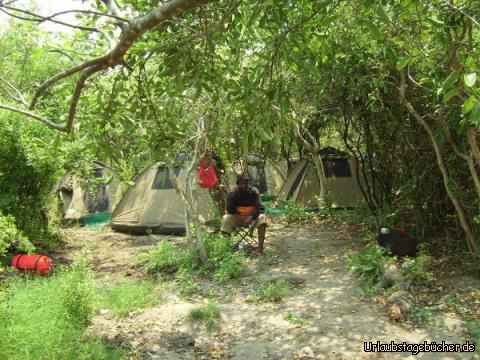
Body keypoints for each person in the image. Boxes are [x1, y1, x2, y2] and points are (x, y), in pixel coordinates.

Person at [220, 174, 268, 255]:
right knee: (225, 218)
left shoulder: (254, 192)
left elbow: (260, 208)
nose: (244, 185)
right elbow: (230, 210)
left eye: (246, 183)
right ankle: (226, 249)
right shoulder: (232, 193)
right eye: (241, 183)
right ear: (237, 184)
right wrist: (233, 197)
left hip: (252, 218)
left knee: (262, 218)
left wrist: (252, 217)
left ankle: (260, 250)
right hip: (238, 218)